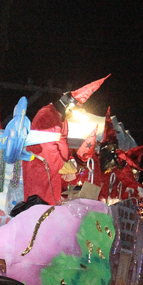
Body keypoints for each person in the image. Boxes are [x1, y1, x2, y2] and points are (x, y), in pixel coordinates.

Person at [22, 76, 109, 205]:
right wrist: (63, 166)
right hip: (41, 172)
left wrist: (69, 164)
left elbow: (63, 145)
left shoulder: (62, 119)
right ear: (68, 105)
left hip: (51, 174)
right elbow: (46, 146)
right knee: (39, 211)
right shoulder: (46, 115)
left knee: (50, 210)